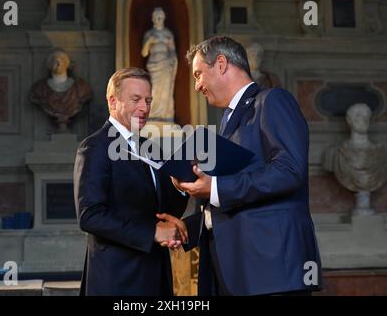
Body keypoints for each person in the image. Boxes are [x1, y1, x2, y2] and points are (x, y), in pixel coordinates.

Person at [170, 36, 321, 295]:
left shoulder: (272, 100)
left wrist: (215, 187)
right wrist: (192, 218)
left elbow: (290, 170)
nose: (196, 86)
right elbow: (236, 193)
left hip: (271, 271)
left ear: (221, 64)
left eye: (198, 74)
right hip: (233, 270)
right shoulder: (229, 120)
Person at [73, 67, 188, 296]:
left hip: (156, 276)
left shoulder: (152, 148)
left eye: (148, 100)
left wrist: (181, 186)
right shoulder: (95, 147)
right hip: (117, 280)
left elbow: (166, 209)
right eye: (135, 99)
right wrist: (152, 233)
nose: (144, 108)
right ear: (113, 102)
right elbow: (89, 216)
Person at [322, 103, 387, 215]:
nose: (363, 119)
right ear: (349, 121)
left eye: (366, 115)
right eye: (358, 115)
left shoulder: (381, 153)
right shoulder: (335, 153)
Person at [29, 49, 91, 131]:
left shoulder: (80, 87)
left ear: (67, 64)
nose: (58, 64)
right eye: (55, 61)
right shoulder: (40, 89)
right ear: (49, 65)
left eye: (62, 60)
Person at [141, 7, 178, 122]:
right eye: (157, 16)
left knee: (166, 92)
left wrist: (173, 60)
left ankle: (165, 116)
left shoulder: (168, 33)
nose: (159, 19)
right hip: (154, 65)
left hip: (166, 65)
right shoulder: (149, 34)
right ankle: (152, 115)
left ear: (164, 18)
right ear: (153, 19)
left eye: (161, 16)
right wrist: (149, 42)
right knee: (154, 90)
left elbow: (173, 52)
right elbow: (144, 53)